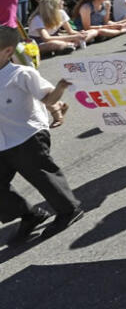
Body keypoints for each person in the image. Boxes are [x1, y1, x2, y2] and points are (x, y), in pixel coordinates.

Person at [0, 26, 83, 244]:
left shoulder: (21, 74)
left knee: (41, 174)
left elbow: (48, 99)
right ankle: (30, 214)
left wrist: (60, 88)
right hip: (2, 140)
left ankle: (69, 210)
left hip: (28, 134)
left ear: (8, 52)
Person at [27, 0, 95, 56]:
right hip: (40, 43)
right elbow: (46, 39)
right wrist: (74, 37)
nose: (63, 2)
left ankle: (68, 46)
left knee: (92, 32)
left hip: (57, 38)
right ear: (53, 5)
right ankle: (69, 45)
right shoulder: (37, 19)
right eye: (60, 1)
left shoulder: (61, 13)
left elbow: (71, 31)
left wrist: (81, 33)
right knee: (55, 44)